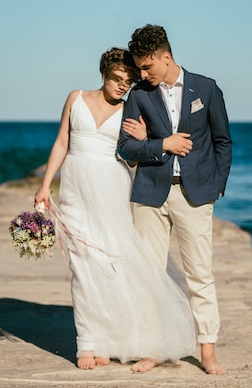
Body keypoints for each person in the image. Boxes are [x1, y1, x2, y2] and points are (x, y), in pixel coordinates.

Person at [34, 47, 196, 371]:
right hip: (75, 191)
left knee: (111, 266)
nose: (123, 85)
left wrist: (144, 136)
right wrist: (45, 185)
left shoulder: (129, 109)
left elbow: (133, 156)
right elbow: (62, 143)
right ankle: (88, 343)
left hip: (112, 190)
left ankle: (112, 340)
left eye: (128, 81)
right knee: (81, 269)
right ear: (104, 74)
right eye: (117, 79)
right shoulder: (75, 98)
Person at [118, 24, 233, 375]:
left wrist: (216, 186)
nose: (141, 73)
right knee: (149, 275)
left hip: (195, 194)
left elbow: (222, 141)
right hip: (151, 193)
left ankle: (207, 350)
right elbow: (126, 148)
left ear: (165, 57)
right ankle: (153, 348)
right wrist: (161, 145)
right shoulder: (138, 95)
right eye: (139, 67)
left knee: (200, 274)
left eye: (146, 66)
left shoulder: (207, 89)